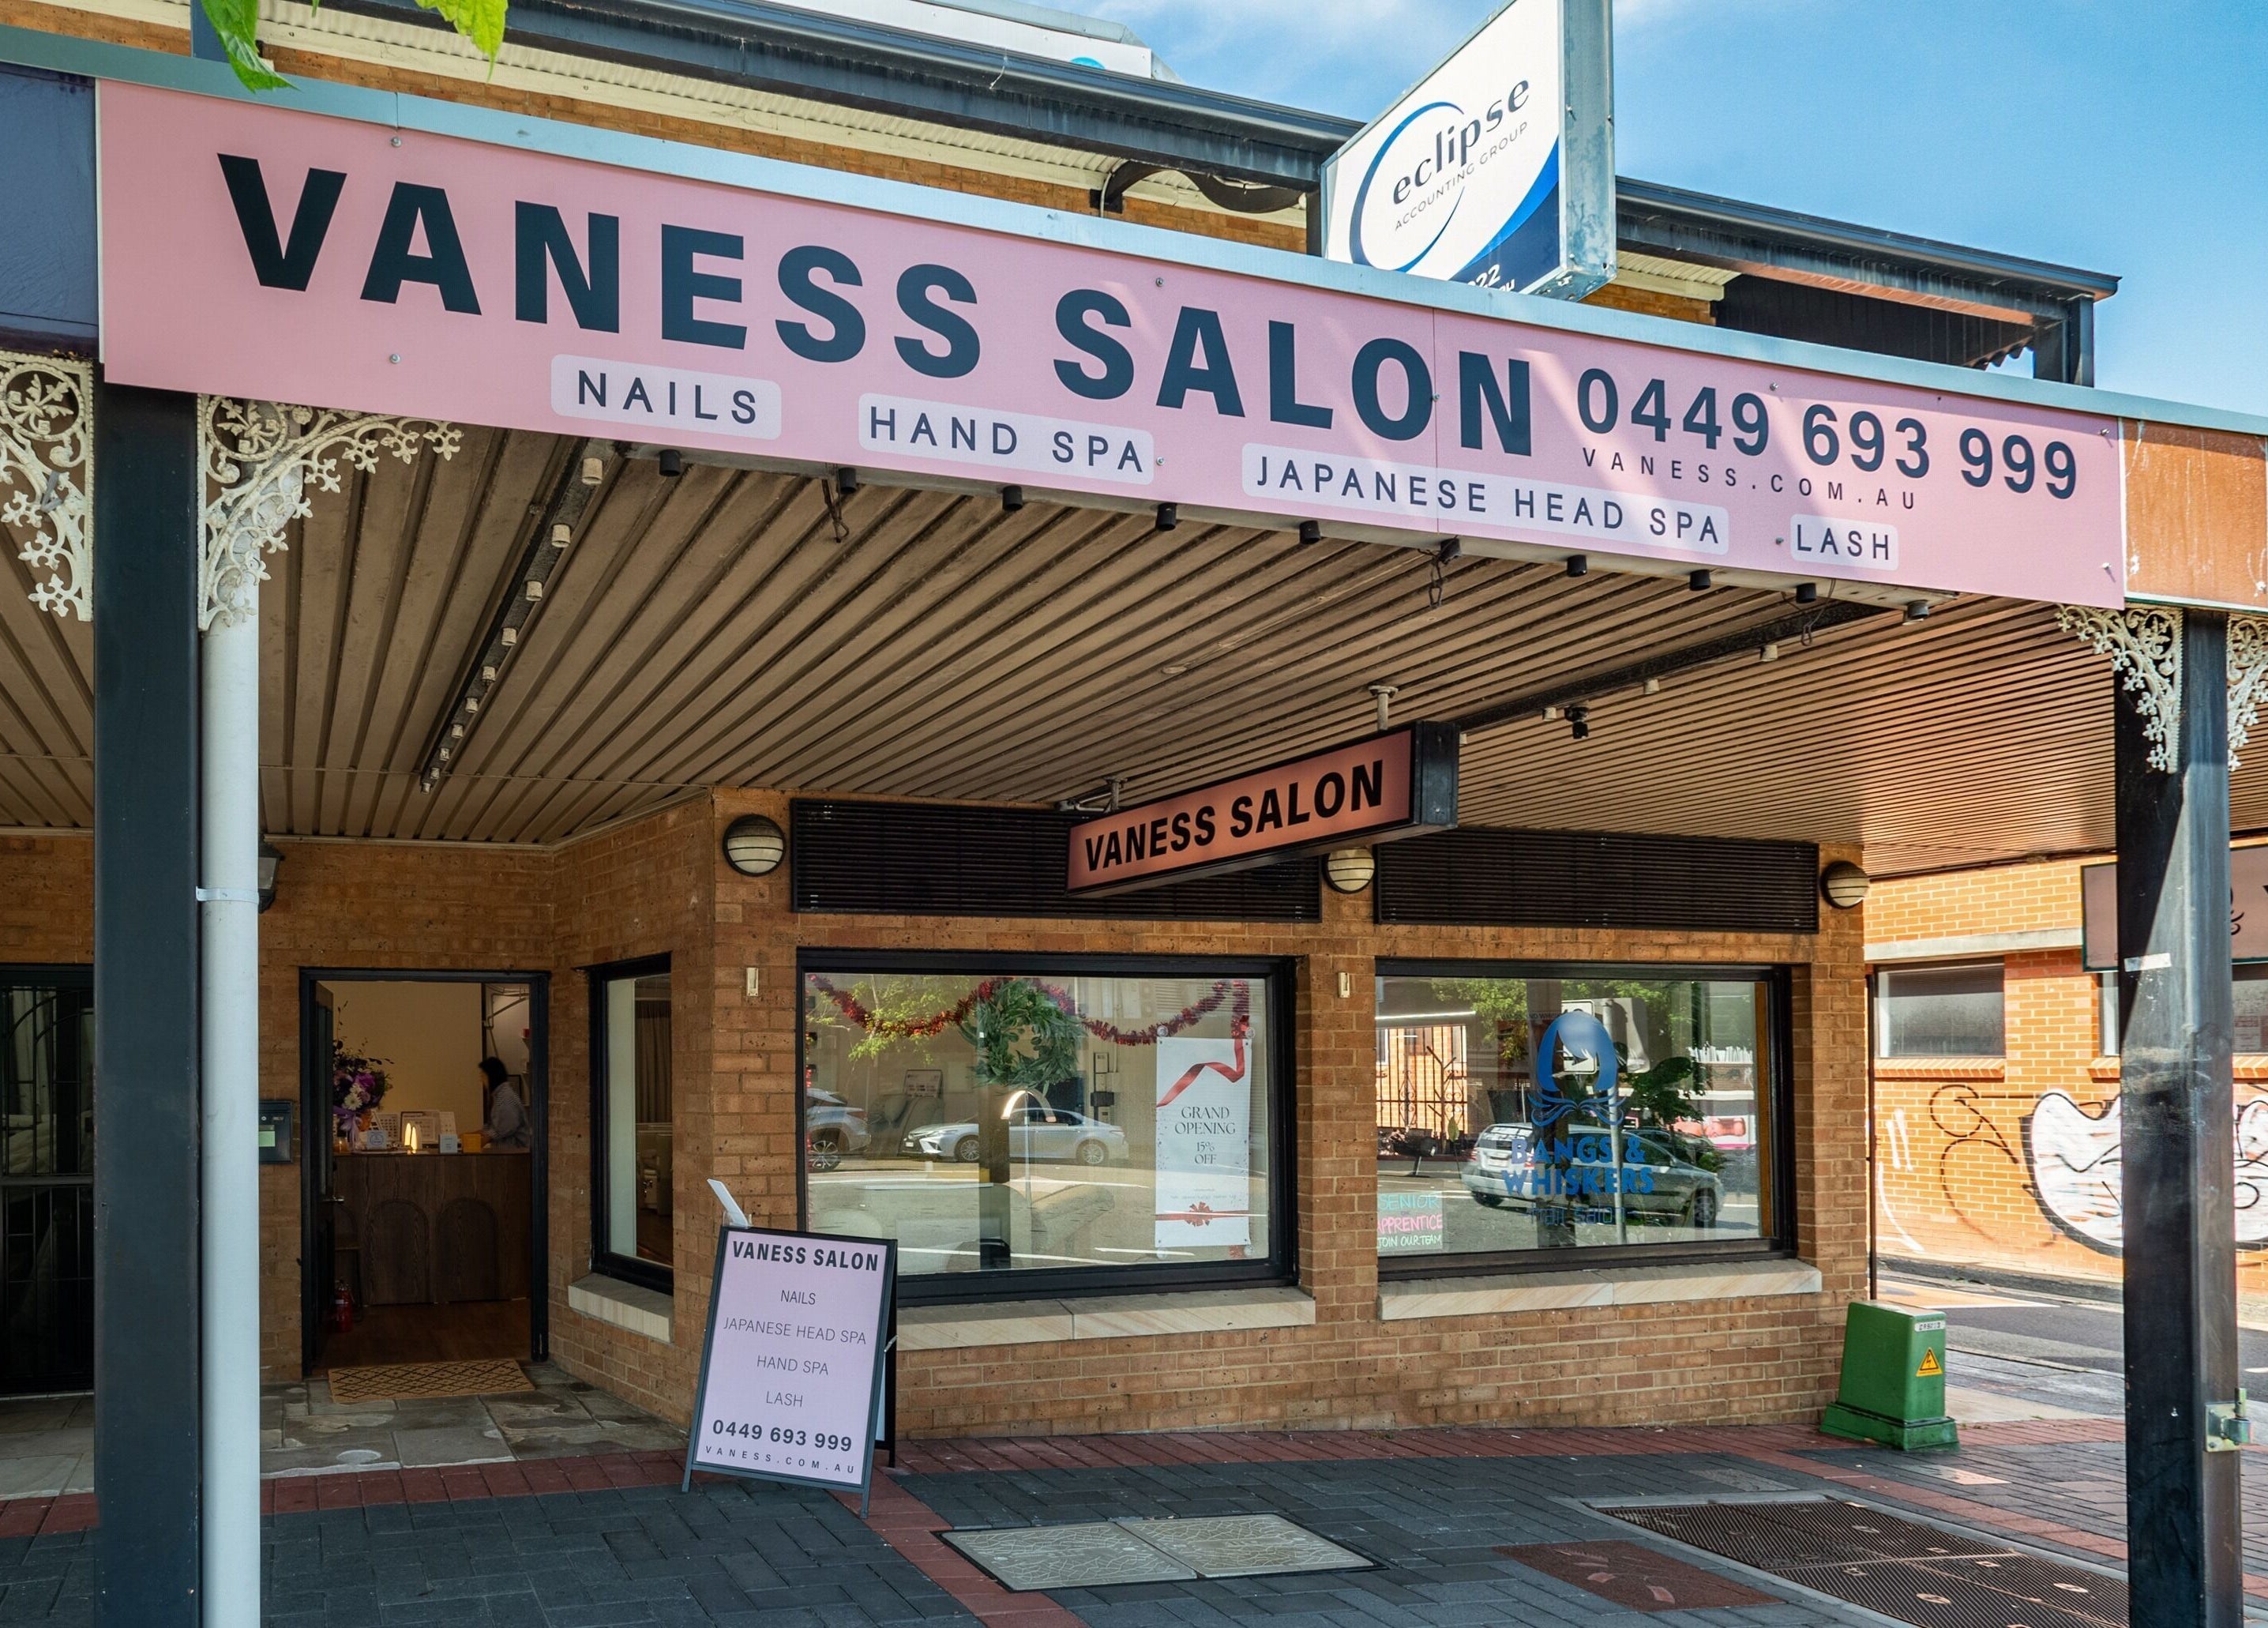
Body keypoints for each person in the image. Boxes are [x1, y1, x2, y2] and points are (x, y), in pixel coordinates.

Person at [480, 1055, 531, 1149]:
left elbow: (505, 1128)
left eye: (483, 1076)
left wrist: (480, 1141)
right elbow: (494, 1126)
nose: (481, 1080)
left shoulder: (505, 1097)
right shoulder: (500, 1095)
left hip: (515, 1152)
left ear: (491, 1076)